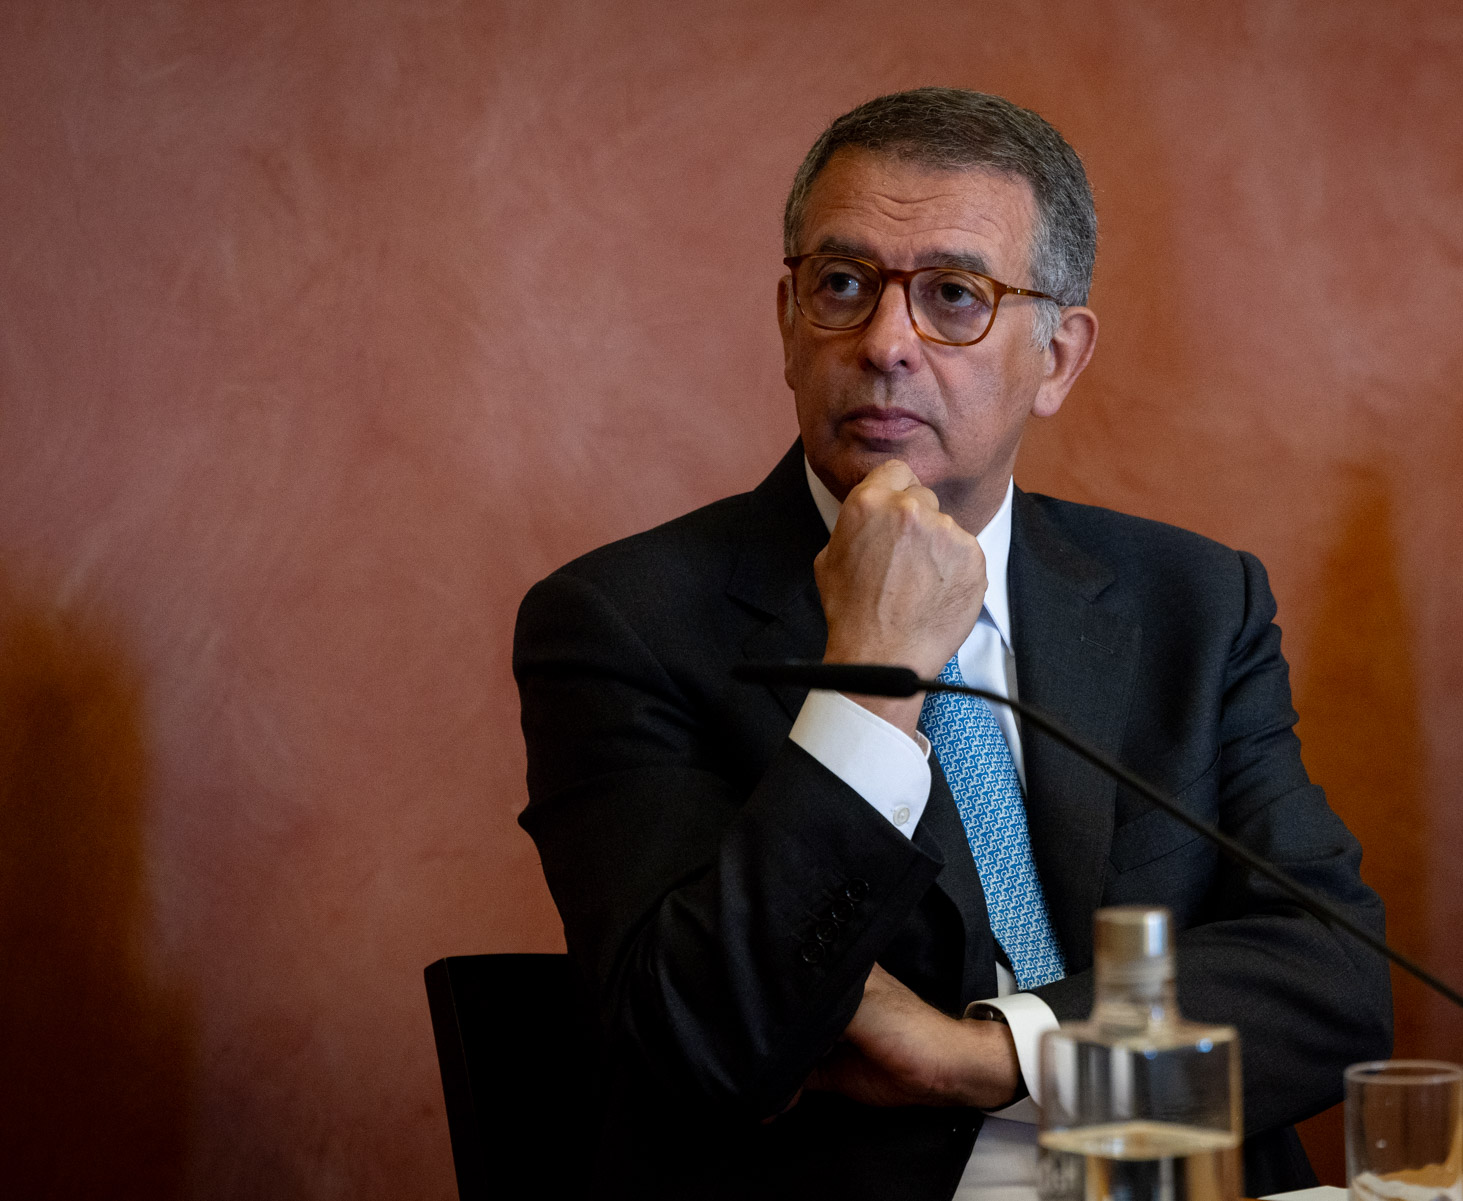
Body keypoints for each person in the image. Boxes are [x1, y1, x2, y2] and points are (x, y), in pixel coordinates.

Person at [513, 87, 1392, 1201]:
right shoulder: (623, 621)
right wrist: (872, 679)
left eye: (954, 296)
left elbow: (1335, 980)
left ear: (1057, 356)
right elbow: (702, 1041)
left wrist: (984, 1056)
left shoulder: (1194, 599)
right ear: (788, 323)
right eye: (844, 285)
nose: (887, 344)